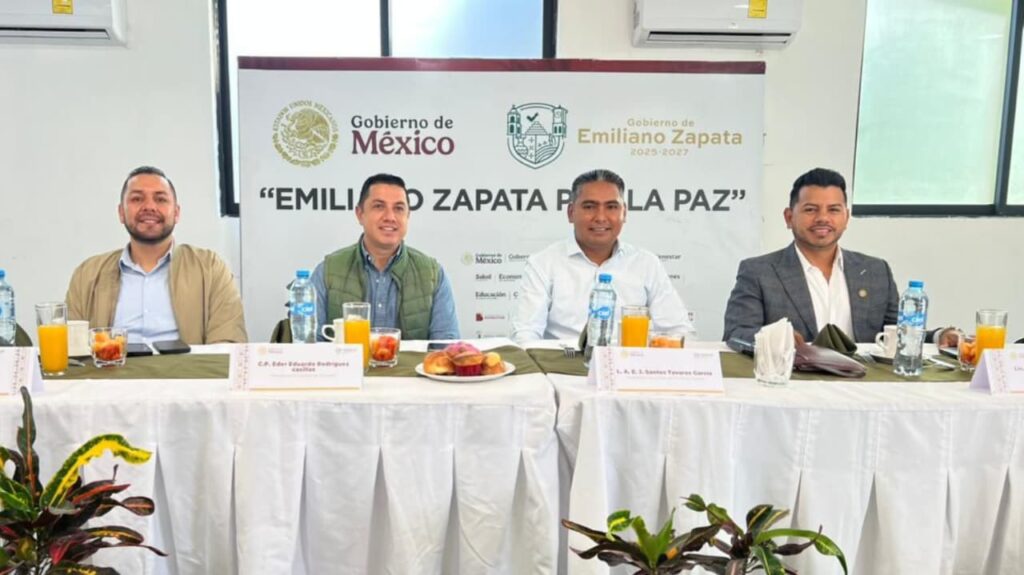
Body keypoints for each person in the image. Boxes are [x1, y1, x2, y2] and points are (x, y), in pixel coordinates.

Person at [723, 167, 954, 345]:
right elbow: (736, 334)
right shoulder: (759, 272)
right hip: (793, 383)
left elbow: (898, 334)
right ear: (789, 217)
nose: (823, 218)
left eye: (833, 210)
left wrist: (939, 336)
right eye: (810, 210)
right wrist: (774, 338)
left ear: (846, 217)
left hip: (863, 385)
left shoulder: (875, 271)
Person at [66, 166, 247, 344]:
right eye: (137, 199)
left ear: (176, 213)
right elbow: (72, 350)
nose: (149, 206)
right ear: (121, 213)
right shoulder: (87, 274)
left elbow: (228, 343)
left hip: (188, 365)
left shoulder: (210, 269)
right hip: (114, 364)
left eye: (160, 199)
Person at [511, 169, 692, 343]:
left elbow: (677, 330)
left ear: (624, 213)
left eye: (611, 207)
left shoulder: (646, 263)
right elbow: (526, 334)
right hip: (564, 361)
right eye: (589, 207)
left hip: (629, 361)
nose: (600, 217)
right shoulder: (543, 263)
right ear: (571, 213)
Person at [311, 173, 459, 340]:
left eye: (399, 208)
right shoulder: (328, 271)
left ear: (408, 216)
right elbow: (310, 345)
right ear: (360, 214)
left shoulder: (432, 274)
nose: (390, 217)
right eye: (379, 206)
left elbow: (446, 346)